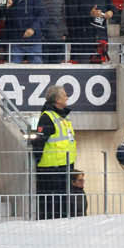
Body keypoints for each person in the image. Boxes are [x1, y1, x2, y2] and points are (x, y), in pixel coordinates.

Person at [30, 85, 76, 219]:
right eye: (64, 95)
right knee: (51, 207)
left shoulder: (62, 117)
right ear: (57, 100)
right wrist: (39, 162)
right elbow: (38, 143)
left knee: (63, 206)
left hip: (64, 168)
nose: (67, 97)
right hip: (51, 171)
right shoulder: (47, 117)